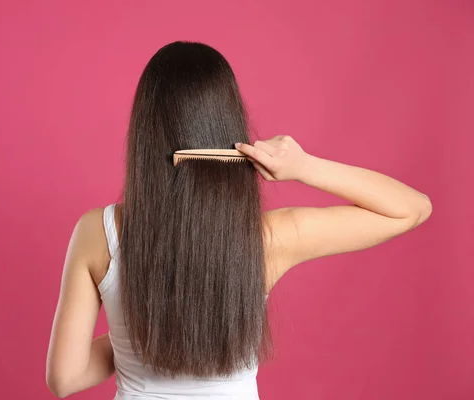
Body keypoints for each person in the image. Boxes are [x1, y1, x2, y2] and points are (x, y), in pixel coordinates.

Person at [45, 41, 432, 399]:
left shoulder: (98, 233)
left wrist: (141, 332)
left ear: (145, 136)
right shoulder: (269, 238)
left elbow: (65, 378)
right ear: (228, 129)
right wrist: (303, 166)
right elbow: (412, 208)